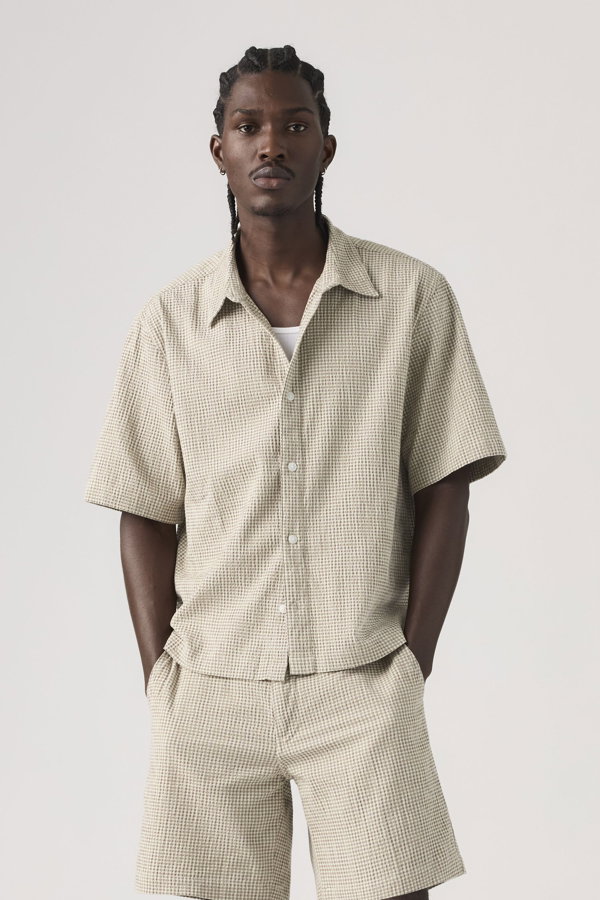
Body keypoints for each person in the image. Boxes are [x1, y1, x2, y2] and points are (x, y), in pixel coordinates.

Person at [84, 44, 507, 900]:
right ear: (220, 152)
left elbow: (446, 487)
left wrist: (410, 664)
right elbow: (143, 510)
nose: (271, 143)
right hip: (212, 688)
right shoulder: (169, 323)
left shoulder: (411, 299)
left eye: (294, 125)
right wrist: (161, 681)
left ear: (326, 147)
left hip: (362, 679)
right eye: (249, 126)